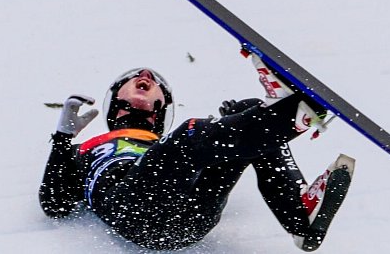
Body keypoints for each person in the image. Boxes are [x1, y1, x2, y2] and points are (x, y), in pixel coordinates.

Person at [38, 52, 355, 251]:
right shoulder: (87, 149)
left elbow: (197, 148)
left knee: (249, 114)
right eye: (135, 79)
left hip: (191, 219)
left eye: (154, 82)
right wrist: (62, 141)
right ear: (115, 100)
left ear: (160, 109)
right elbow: (54, 203)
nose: (146, 77)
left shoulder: (161, 144)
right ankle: (298, 111)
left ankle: (300, 216)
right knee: (194, 133)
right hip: (133, 211)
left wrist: (238, 122)